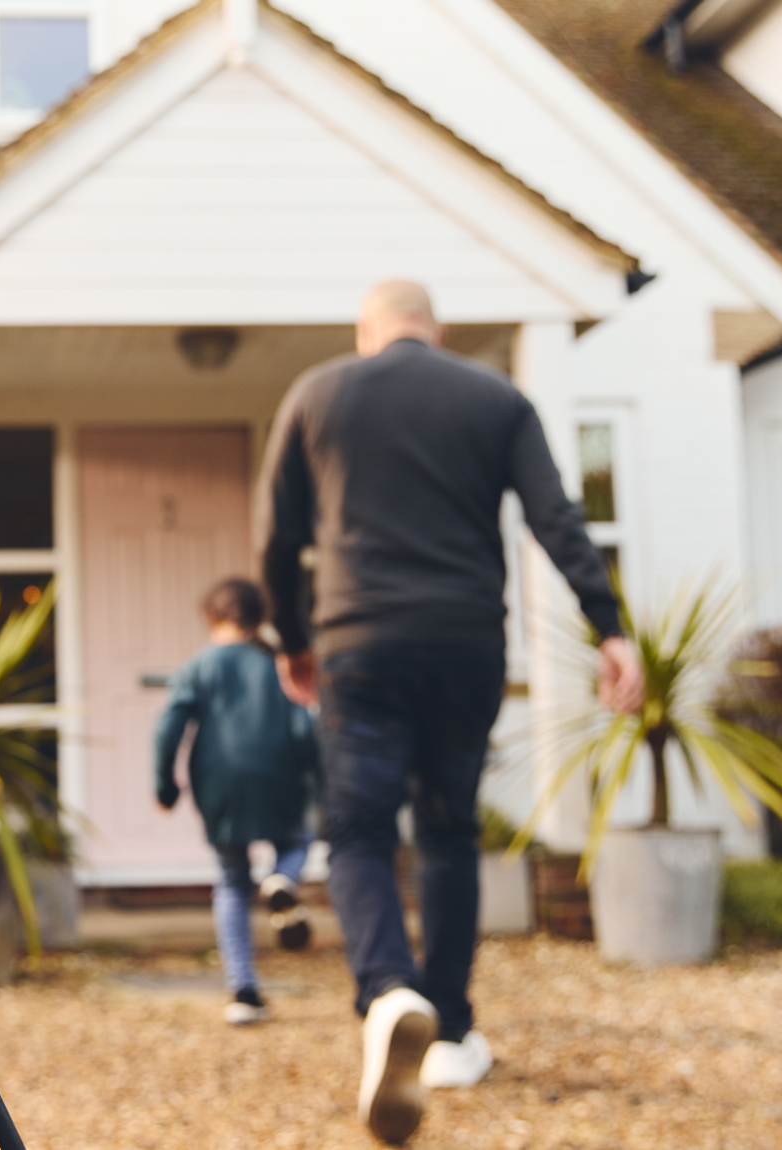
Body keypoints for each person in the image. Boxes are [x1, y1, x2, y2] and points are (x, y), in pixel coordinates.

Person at [257, 281, 644, 1144]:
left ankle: (389, 989)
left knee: (358, 830)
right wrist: (609, 629)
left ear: (367, 334)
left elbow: (276, 535)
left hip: (358, 643)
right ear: (434, 330)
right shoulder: (496, 398)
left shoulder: (318, 394)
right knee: (447, 831)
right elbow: (557, 517)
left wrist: (292, 638)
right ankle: (452, 1030)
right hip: (467, 644)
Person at [154, 577, 321, 1026]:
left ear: (212, 618)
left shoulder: (198, 667)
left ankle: (243, 991)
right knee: (298, 839)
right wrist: (318, 778)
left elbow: (169, 727)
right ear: (259, 618)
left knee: (231, 879)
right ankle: (282, 879)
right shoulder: (278, 664)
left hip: (219, 783)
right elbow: (306, 727)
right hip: (280, 776)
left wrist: (165, 785)